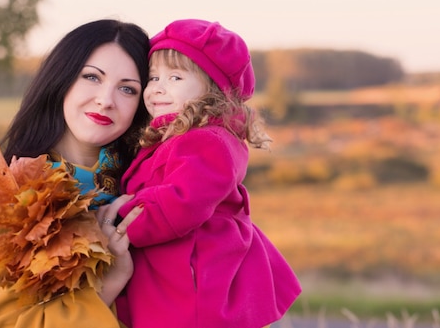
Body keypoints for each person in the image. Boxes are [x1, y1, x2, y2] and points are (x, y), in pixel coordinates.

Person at [0, 19, 150, 328]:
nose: (106, 100)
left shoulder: (146, 187)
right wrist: (112, 280)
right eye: (92, 77)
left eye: (127, 89)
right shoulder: (17, 201)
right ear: (62, 80)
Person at [115, 19, 302, 328]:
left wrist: (115, 219)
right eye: (154, 77)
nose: (158, 87)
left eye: (175, 77)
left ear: (213, 89)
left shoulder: (208, 141)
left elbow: (179, 203)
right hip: (167, 276)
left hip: (193, 285)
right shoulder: (174, 135)